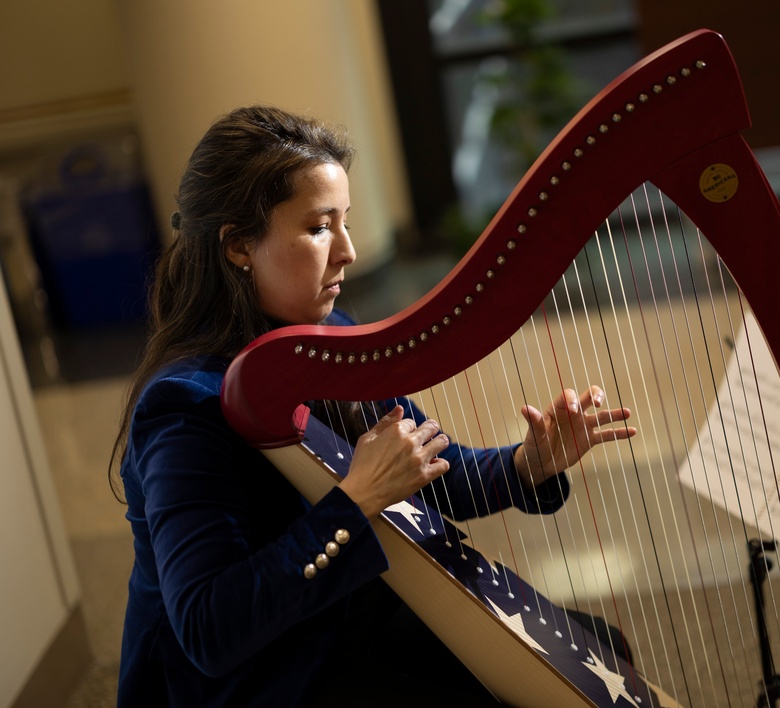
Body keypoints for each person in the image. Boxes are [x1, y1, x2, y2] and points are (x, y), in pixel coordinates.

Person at [111, 105, 636, 706]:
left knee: (598, 653)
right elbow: (210, 630)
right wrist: (356, 500)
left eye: (346, 222)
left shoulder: (327, 335)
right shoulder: (186, 408)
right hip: (265, 678)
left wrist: (528, 464)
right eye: (318, 228)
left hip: (343, 615)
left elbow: (423, 468)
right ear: (238, 246)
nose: (349, 252)